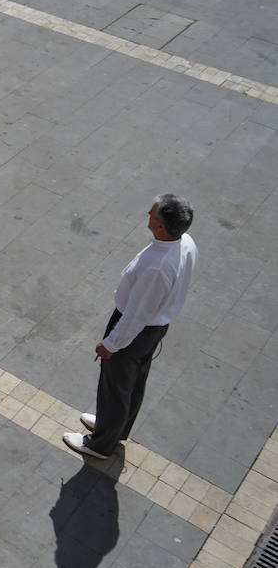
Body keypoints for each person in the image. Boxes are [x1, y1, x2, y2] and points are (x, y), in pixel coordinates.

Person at [64, 195, 197, 460]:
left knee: (115, 387)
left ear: (161, 226)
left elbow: (137, 315)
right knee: (133, 383)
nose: (147, 213)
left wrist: (111, 343)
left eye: (152, 213)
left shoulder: (158, 266)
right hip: (155, 326)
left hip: (136, 331)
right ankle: (113, 427)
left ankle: (100, 445)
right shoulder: (186, 243)